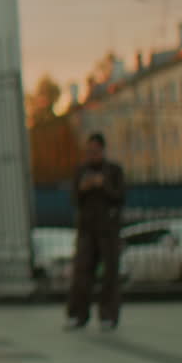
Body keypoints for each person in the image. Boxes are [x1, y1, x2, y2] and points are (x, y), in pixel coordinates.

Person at [65, 132, 125, 331]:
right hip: (87, 230)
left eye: (95, 151)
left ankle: (108, 315)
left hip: (108, 230)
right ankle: (77, 314)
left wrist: (103, 184)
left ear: (102, 150)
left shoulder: (114, 171)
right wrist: (83, 187)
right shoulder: (81, 171)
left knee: (110, 274)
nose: (92, 155)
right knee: (81, 274)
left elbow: (120, 197)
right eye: (89, 151)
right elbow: (74, 199)